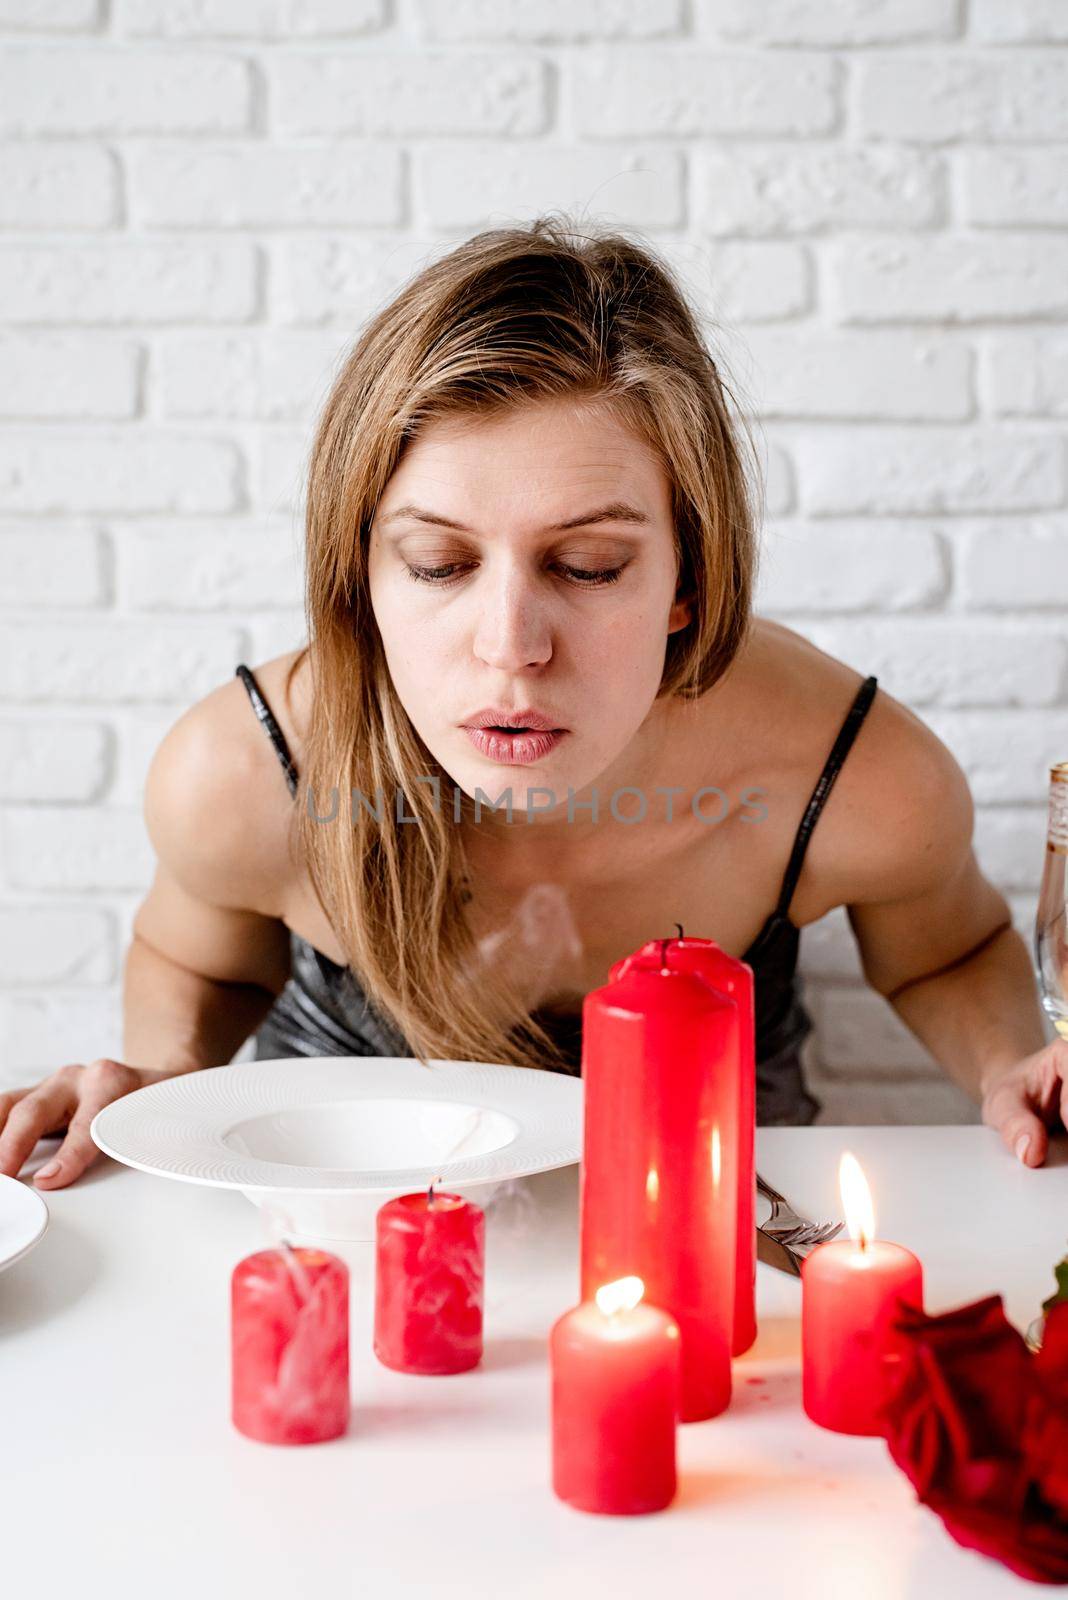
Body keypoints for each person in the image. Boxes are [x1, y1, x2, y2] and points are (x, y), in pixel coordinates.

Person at [1, 212, 1063, 1192]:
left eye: (592, 565)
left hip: (725, 1251)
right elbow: (197, 955)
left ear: (690, 577)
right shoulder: (245, 772)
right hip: (348, 1239)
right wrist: (158, 1073)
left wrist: (1012, 1060)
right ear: (360, 573)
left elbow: (949, 947)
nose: (511, 645)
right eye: (435, 562)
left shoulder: (847, 775)